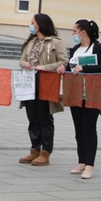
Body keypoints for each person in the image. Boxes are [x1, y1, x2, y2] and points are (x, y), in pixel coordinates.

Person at [18, 14, 68, 167]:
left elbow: (63, 61)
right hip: (29, 81)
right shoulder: (31, 41)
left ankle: (46, 151)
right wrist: (25, 64)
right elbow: (21, 59)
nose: (31, 26)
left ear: (40, 25)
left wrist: (45, 67)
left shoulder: (55, 42)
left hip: (45, 81)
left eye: (33, 23)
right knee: (32, 117)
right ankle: (34, 149)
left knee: (44, 118)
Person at [67, 19, 101, 179]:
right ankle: (81, 161)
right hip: (75, 93)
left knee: (89, 129)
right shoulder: (76, 49)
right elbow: (69, 66)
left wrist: (84, 68)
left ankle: (90, 165)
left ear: (83, 32)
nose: (73, 34)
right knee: (79, 129)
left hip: (92, 94)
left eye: (74, 31)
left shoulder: (100, 48)